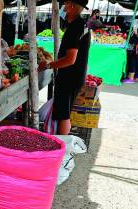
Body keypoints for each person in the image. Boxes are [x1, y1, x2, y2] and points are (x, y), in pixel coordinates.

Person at [40, 0, 91, 135]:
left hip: (69, 77)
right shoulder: (82, 24)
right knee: (65, 112)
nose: (64, 7)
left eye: (66, 4)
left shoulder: (75, 27)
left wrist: (49, 65)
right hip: (75, 76)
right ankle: (63, 145)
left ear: (72, 6)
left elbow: (70, 59)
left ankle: (62, 148)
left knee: (63, 114)